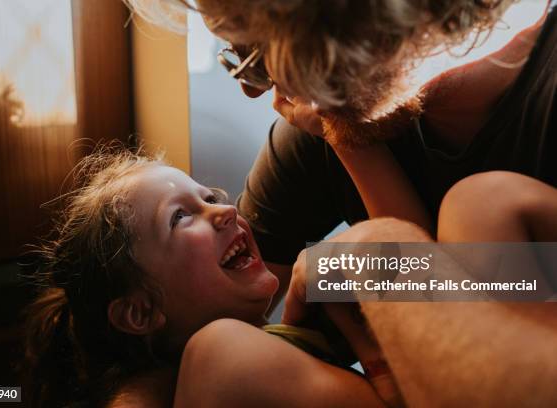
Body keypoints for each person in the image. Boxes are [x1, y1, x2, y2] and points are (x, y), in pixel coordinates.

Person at [126, 0, 557, 405]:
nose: (255, 93)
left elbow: (436, 291)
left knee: (481, 207)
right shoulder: (326, 129)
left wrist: (368, 260)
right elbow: (168, 323)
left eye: (255, 53)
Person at [22, 148, 401, 408]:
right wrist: (364, 336)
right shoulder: (221, 351)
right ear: (139, 312)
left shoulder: (263, 345)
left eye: (210, 197)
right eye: (180, 217)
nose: (225, 210)